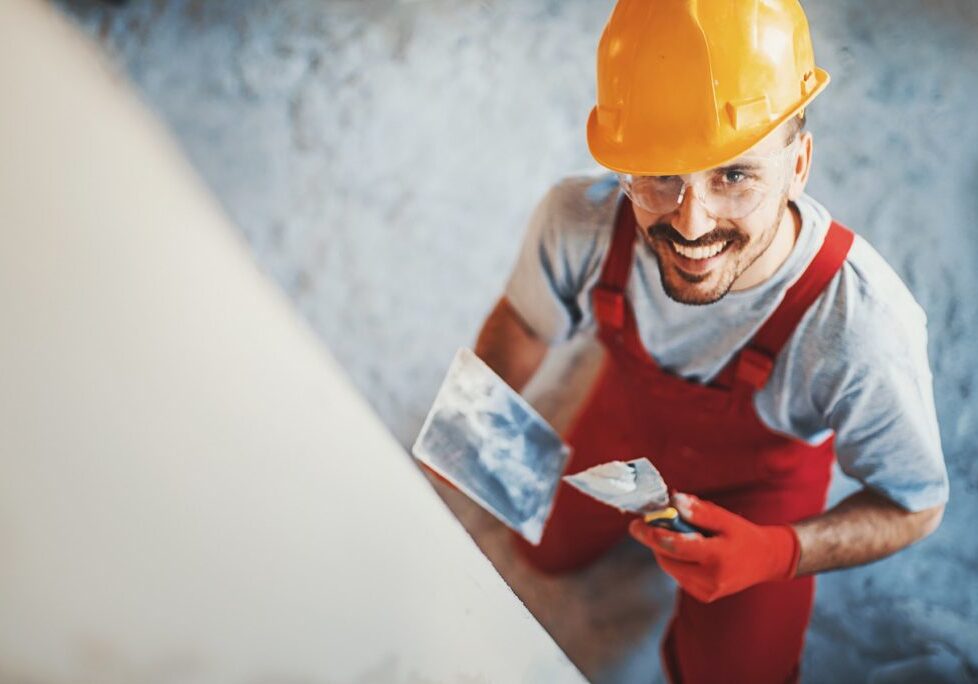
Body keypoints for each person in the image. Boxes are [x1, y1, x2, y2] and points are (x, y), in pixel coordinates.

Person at [473, 1, 949, 682]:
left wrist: (777, 553)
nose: (691, 225)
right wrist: (475, 418)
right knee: (542, 547)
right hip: (628, 422)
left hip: (762, 490)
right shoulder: (577, 221)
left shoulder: (864, 327)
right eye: (660, 173)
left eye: (733, 175)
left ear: (799, 164)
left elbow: (916, 504)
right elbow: (520, 325)